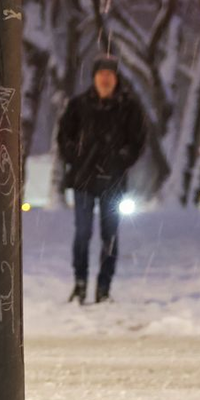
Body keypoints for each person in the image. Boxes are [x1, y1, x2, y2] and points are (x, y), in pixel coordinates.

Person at [57, 55, 146, 304]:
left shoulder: (129, 107)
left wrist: (120, 159)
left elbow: (138, 141)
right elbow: (64, 137)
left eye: (110, 75)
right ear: (94, 78)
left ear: (116, 79)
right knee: (83, 232)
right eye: (101, 74)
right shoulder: (78, 105)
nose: (105, 79)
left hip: (113, 181)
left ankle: (104, 287)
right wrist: (77, 156)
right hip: (84, 179)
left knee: (110, 235)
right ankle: (80, 283)